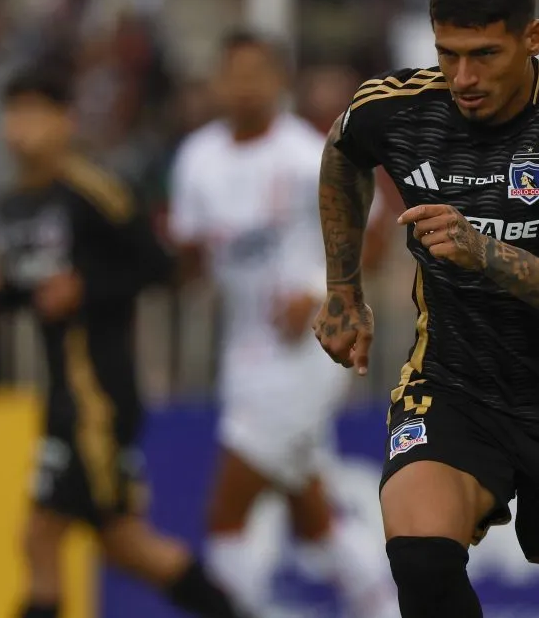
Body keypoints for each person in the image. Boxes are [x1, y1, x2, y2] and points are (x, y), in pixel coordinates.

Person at [314, 0, 539, 618]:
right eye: (447, 53)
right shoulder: (396, 108)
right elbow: (342, 153)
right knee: (420, 558)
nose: (462, 76)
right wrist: (344, 287)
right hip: (452, 385)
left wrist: (482, 250)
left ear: (533, 38)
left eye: (484, 55)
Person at [0, 66, 245, 618]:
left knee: (40, 536)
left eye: (36, 112)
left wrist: (86, 290)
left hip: (98, 394)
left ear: (66, 121)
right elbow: (28, 292)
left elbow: (157, 267)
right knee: (125, 545)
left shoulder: (95, 191)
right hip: (65, 394)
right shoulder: (13, 205)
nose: (22, 127)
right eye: (13, 113)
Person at [169, 31, 398, 618]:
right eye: (233, 73)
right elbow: (192, 258)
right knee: (312, 518)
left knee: (226, 512)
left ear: (279, 80)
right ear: (218, 82)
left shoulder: (309, 156)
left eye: (257, 72)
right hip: (244, 349)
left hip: (309, 352)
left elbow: (375, 237)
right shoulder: (197, 159)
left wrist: (326, 292)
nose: (244, 85)